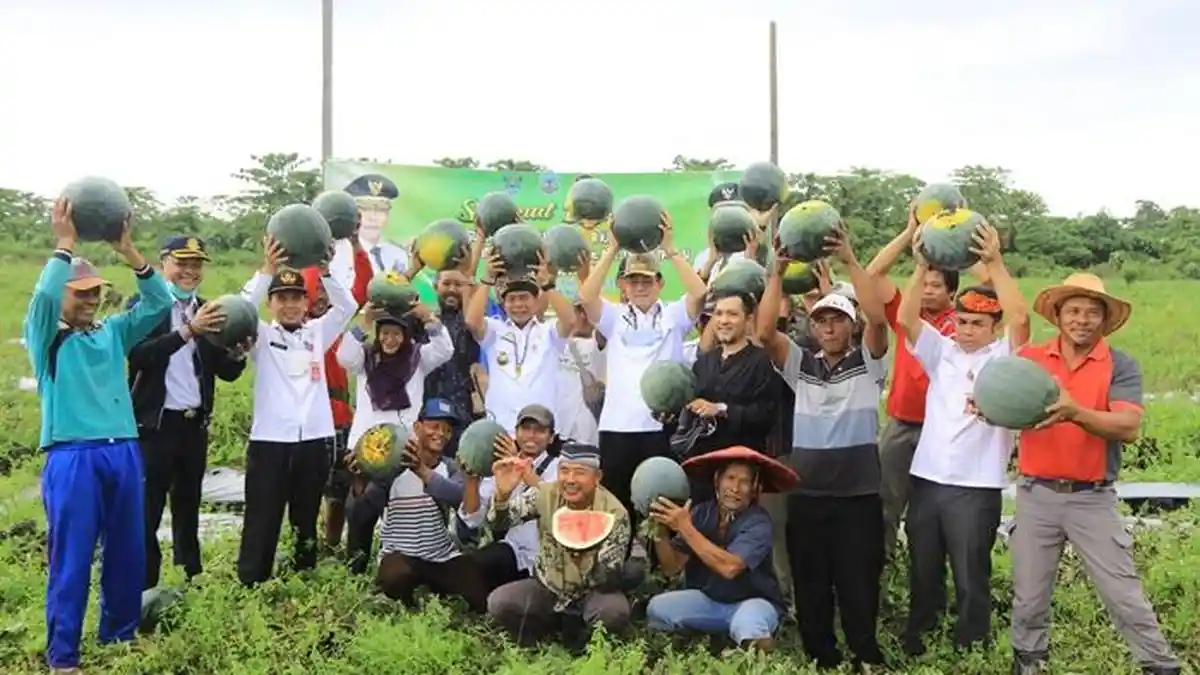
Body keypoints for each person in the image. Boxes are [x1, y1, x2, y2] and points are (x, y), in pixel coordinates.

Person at [1009, 274, 1182, 675]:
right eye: (1073, 310)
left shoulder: (1119, 365)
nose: (1081, 319)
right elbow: (1006, 405)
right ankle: (1028, 663)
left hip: (1092, 497)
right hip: (1036, 494)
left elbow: (1128, 427)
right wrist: (986, 406)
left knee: (1123, 593)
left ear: (1104, 321)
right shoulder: (1030, 360)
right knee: (1029, 597)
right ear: (1057, 315)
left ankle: (1160, 665)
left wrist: (1076, 413)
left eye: (1092, 312)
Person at [28, 198, 173, 673]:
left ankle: (118, 635)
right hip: (74, 457)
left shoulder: (112, 333)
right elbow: (45, 299)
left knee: (127, 551)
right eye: (81, 293)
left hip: (123, 452)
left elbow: (160, 302)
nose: (90, 300)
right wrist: (65, 244)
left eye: (94, 293)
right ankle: (63, 657)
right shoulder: (47, 337)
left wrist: (129, 251)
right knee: (71, 559)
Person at [755, 225, 891, 670]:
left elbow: (878, 318)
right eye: (822, 320)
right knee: (812, 581)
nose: (829, 327)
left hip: (858, 495)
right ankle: (822, 655)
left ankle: (864, 653)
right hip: (807, 494)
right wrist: (775, 272)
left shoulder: (869, 362)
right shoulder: (801, 363)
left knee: (858, 581)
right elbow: (764, 333)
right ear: (812, 326)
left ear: (850, 325)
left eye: (838, 320)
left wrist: (851, 258)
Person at [897, 224, 1029, 654]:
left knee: (971, 571)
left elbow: (1022, 318)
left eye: (977, 323)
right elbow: (905, 318)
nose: (967, 330)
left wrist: (994, 264)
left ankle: (972, 643)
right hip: (929, 480)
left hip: (977, 486)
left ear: (994, 326)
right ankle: (922, 636)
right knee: (924, 566)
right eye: (962, 321)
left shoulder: (1004, 359)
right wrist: (919, 270)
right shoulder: (943, 352)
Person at [127, 235, 250, 589]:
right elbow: (138, 357)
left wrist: (237, 354)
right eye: (182, 263)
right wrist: (187, 332)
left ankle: (188, 582)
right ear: (163, 263)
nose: (189, 271)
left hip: (193, 426)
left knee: (188, 508)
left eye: (196, 265)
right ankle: (145, 588)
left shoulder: (209, 310)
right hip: (154, 427)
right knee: (146, 512)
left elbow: (223, 371)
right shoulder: (146, 306)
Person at [866, 203, 989, 554]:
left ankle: (929, 573)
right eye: (926, 283)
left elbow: (991, 282)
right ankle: (885, 568)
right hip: (902, 424)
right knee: (886, 504)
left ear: (952, 292)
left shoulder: (965, 321)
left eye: (937, 285)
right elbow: (874, 274)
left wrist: (957, 236)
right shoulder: (908, 315)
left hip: (947, 429)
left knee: (934, 510)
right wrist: (911, 232)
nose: (929, 290)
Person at [234, 239, 357, 586]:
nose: (289, 305)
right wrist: (266, 272)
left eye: (296, 298)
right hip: (270, 441)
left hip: (315, 440)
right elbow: (239, 308)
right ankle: (251, 582)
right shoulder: (259, 333)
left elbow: (347, 306)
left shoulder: (318, 332)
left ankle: (303, 580)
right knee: (262, 516)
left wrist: (326, 269)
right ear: (271, 304)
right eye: (281, 298)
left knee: (305, 517)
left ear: (306, 302)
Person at [577, 215, 708, 523]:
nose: (640, 286)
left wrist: (670, 249)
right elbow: (586, 297)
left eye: (647, 280)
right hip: (617, 427)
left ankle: (659, 571)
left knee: (661, 510)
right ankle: (616, 568)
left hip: (661, 427)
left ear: (659, 282)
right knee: (617, 509)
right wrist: (611, 249)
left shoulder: (674, 315)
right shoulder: (614, 316)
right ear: (623, 284)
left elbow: (700, 294)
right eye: (633, 280)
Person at [645, 446, 797, 652]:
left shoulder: (759, 522)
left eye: (744, 481)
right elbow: (672, 567)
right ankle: (706, 641)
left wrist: (685, 528)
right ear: (717, 481)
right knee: (658, 608)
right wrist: (659, 532)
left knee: (750, 626)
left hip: (753, 603)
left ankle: (754, 660)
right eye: (730, 478)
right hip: (710, 601)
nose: (735, 487)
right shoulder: (701, 512)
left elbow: (730, 568)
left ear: (755, 488)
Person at [485, 444, 633, 650]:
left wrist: (585, 554)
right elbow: (498, 523)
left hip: (590, 593)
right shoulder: (544, 494)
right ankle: (539, 640)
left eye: (579, 473)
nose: (570, 480)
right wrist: (501, 496)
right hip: (548, 587)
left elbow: (608, 577)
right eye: (564, 471)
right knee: (500, 602)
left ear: (597, 477)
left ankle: (587, 646)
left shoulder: (615, 513)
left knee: (613, 612)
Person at [369, 399, 487, 612]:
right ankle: (409, 600)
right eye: (434, 426)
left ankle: (432, 593)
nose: (440, 434)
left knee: (475, 587)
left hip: (441, 557)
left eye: (447, 430)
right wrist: (359, 479)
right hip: (401, 555)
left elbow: (457, 495)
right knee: (395, 576)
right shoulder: (394, 464)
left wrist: (421, 470)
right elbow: (369, 498)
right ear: (417, 427)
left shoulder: (451, 467)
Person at [303, 229, 373, 552]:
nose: (318, 297)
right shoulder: (296, 330)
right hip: (304, 423)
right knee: (302, 490)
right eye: (310, 290)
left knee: (339, 490)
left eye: (322, 289)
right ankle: (305, 545)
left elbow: (363, 287)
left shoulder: (335, 323)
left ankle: (332, 547)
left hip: (340, 419)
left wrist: (355, 242)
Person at [680, 292, 779, 502]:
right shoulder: (703, 363)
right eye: (719, 314)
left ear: (749, 319)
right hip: (703, 471)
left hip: (740, 476)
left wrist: (722, 409)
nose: (724, 320)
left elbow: (767, 415)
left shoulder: (763, 362)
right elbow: (688, 415)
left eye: (732, 314)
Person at [464, 250, 575, 432]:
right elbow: (471, 321)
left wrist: (548, 286)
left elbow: (570, 320)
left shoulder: (549, 331)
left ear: (536, 302)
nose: (518, 305)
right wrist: (486, 280)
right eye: (512, 299)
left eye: (524, 298)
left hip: (540, 431)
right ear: (504, 304)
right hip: (501, 427)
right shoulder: (495, 330)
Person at [459, 404, 562, 593]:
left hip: (549, 559)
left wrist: (521, 467)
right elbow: (473, 519)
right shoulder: (500, 464)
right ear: (516, 432)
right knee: (467, 565)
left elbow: (557, 502)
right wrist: (471, 480)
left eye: (539, 430)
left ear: (551, 438)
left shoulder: (561, 467)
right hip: (512, 551)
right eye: (525, 429)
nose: (531, 435)